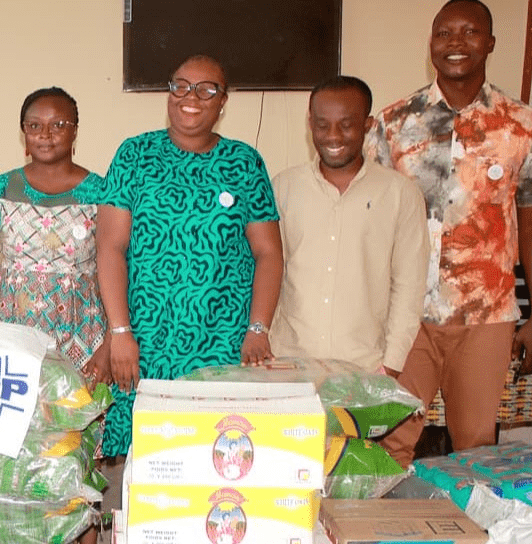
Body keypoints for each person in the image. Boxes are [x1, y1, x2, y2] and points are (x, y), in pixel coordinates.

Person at [366, 0, 532, 467]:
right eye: (444, 33)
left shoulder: (521, 125)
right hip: (404, 313)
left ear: (491, 43)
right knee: (388, 441)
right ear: (431, 45)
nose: (455, 42)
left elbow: (529, 218)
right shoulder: (393, 123)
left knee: (476, 448)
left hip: (484, 317)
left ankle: (468, 540)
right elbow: (372, 217)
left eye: (469, 31)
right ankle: (378, 536)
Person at [95, 54, 283, 465]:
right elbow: (111, 248)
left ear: (223, 101)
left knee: (215, 459)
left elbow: (268, 253)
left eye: (206, 89)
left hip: (223, 343)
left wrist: (258, 328)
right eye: (180, 85)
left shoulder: (244, 163)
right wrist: (119, 331)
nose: (190, 97)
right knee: (147, 464)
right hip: (145, 340)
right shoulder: (134, 155)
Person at [269, 76, 428, 374]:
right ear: (310, 123)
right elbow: (271, 271)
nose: (333, 136)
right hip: (288, 364)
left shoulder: (400, 194)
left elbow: (409, 286)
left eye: (346, 124)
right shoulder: (283, 187)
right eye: (321, 124)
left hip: (365, 367)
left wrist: (391, 364)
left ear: (368, 125)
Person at [0, 87, 109, 384]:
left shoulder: (102, 192)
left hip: (84, 337)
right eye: (34, 126)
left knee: (77, 422)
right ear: (24, 134)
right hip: (11, 335)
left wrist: (111, 342)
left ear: (75, 132)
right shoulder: (0, 190)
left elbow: (119, 266)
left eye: (58, 125)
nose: (46, 134)